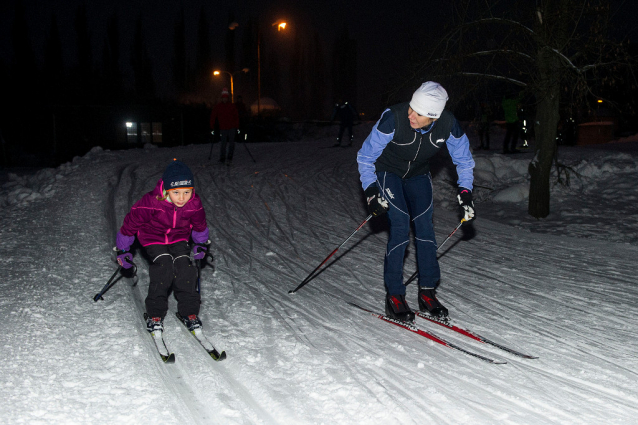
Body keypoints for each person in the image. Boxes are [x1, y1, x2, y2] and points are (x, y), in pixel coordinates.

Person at [356, 81, 475, 322]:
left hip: (418, 175)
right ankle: (395, 295)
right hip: (388, 171)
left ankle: (427, 292)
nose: (411, 114)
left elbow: (464, 160)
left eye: (418, 113)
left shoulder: (448, 125)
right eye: (411, 107)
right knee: (400, 225)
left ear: (433, 117)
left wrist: (465, 192)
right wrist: (370, 191)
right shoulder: (394, 118)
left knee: (425, 228)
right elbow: (366, 157)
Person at [115, 159, 210, 334]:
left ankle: (189, 312)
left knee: (185, 268)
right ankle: (155, 315)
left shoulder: (194, 204)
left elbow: (200, 226)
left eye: (187, 192)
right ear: (166, 189)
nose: (182, 198)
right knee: (164, 266)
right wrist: (123, 250)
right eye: (176, 193)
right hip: (153, 237)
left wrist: (200, 244)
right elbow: (130, 225)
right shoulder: (151, 202)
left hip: (179, 237)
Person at [210, 88, 240, 166]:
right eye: (224, 98)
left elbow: (236, 116)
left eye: (226, 98)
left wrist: (237, 126)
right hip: (223, 128)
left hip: (232, 127)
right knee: (223, 143)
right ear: (222, 98)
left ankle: (229, 157)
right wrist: (212, 124)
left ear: (228, 98)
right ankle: (222, 157)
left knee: (231, 143)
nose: (225, 99)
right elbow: (213, 115)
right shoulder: (218, 106)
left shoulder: (232, 106)